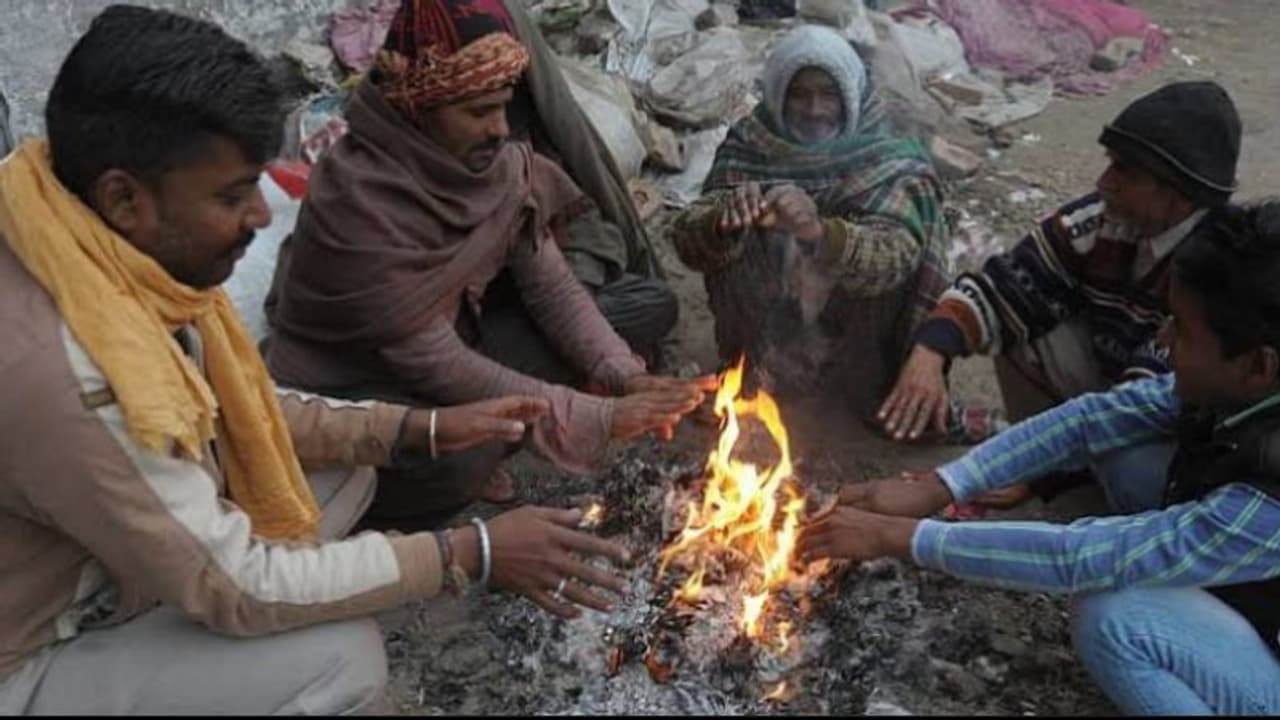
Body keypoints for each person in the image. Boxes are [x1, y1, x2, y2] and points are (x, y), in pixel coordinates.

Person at [0, 6, 634, 714]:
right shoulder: (70, 371)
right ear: (123, 198)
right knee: (342, 660)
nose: (263, 215)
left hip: (108, 553)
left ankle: (191, 590)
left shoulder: (93, 247)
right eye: (232, 195)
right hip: (29, 652)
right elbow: (234, 583)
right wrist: (467, 554)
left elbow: (247, 409)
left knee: (349, 469)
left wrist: (416, 430)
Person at [801, 201, 1280, 715]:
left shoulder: (1266, 503)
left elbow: (1084, 558)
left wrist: (898, 537)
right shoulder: (1248, 389)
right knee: (1126, 452)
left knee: (1113, 613)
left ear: (1257, 365)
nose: (1161, 340)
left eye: (1181, 331)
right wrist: (943, 484)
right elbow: (1092, 419)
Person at [266, 0, 712, 531]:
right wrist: (598, 418)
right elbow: (435, 362)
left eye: (503, 107)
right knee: (463, 458)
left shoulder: (495, 169)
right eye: (478, 112)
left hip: (460, 339)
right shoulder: (358, 202)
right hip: (360, 390)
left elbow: (551, 287)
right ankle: (427, 483)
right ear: (418, 108)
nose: (501, 130)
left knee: (642, 305)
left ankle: (531, 418)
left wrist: (624, 376)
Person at [878, 80, 1242, 507]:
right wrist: (929, 352)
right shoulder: (1103, 220)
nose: (1105, 183)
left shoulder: (1214, 274)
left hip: (1171, 424)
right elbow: (1003, 288)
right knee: (1021, 328)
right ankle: (1052, 466)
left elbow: (1140, 404)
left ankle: (1085, 496)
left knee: (1133, 473)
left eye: (1125, 171)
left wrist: (1035, 478)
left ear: (1176, 194)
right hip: (1112, 385)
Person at [671, 25, 977, 436]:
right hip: (774, 329)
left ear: (849, 94)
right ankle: (758, 373)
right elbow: (689, 242)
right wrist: (723, 219)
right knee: (736, 237)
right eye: (799, 93)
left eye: (828, 93)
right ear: (779, 94)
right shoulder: (751, 142)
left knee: (897, 247)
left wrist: (819, 233)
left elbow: (894, 256)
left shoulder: (888, 153)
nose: (814, 109)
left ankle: (865, 390)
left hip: (858, 332)